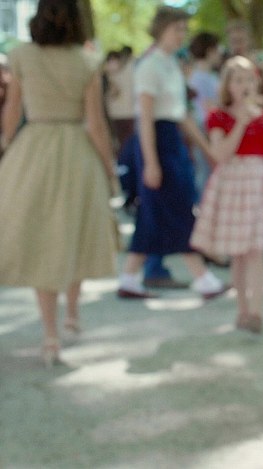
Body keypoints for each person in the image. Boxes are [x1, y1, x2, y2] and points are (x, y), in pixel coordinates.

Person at [0, 0, 118, 366]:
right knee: (74, 232)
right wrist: (109, 169)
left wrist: (7, 146)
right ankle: (72, 313)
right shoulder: (87, 61)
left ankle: (50, 334)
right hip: (76, 152)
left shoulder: (22, 56)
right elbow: (96, 125)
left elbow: (12, 110)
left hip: (34, 148)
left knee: (43, 240)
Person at [116, 5, 228, 300]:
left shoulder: (172, 65)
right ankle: (202, 278)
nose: (182, 35)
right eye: (177, 29)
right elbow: (145, 117)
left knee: (154, 213)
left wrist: (207, 149)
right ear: (162, 29)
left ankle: (129, 277)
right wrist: (150, 162)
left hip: (173, 141)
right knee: (178, 208)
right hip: (157, 143)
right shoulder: (149, 66)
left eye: (184, 30)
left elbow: (182, 114)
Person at [190, 56, 263, 334]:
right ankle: (242, 309)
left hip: (256, 186)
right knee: (238, 254)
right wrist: (241, 123)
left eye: (249, 79)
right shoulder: (219, 117)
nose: (244, 85)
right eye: (238, 80)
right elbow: (219, 154)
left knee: (255, 251)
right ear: (227, 85)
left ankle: (256, 311)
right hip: (230, 185)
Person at [187, 31, 222, 197]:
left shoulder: (206, 76)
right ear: (209, 51)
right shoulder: (199, 78)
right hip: (205, 128)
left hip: (209, 127)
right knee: (205, 172)